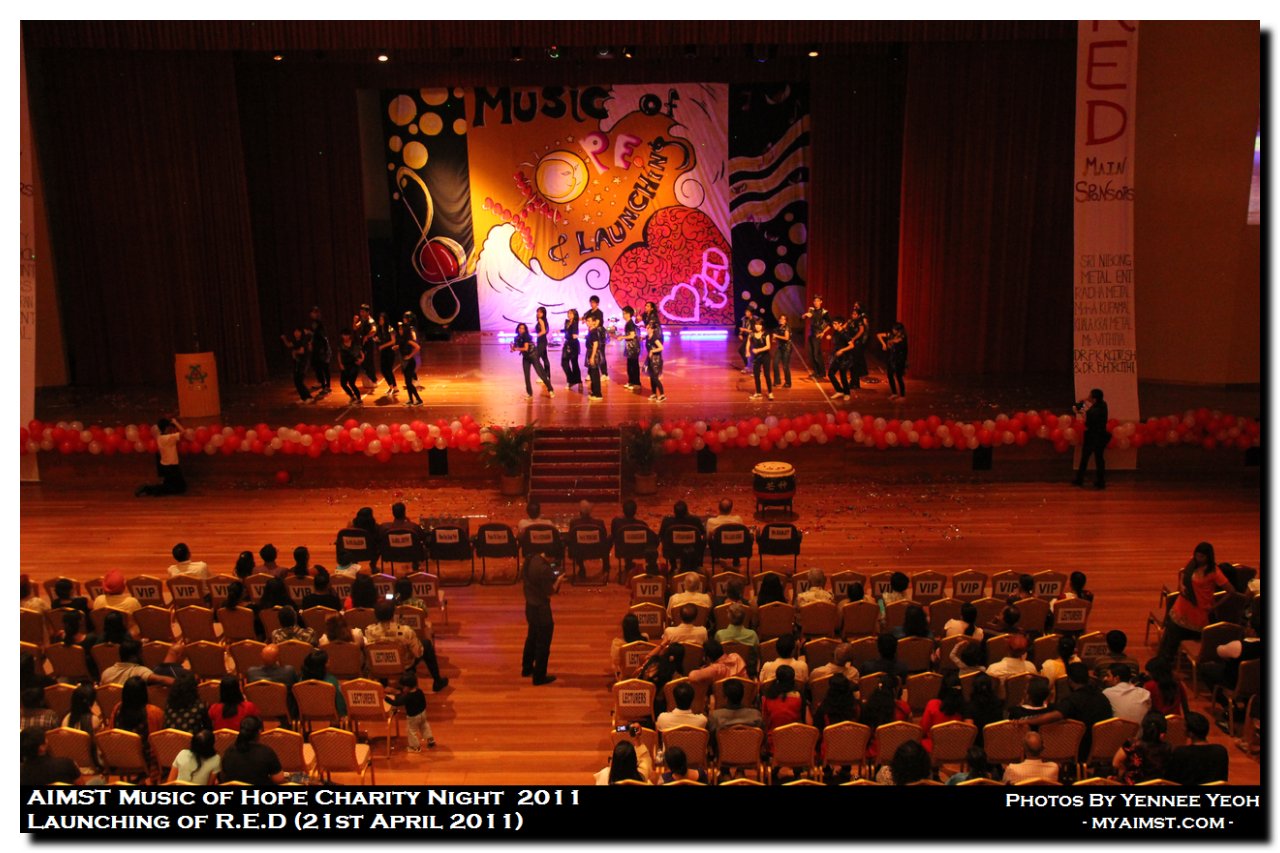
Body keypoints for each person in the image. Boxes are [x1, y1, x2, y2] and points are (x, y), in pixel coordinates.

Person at [1014, 662, 1113, 764]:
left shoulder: (1073, 700)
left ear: (1069, 681)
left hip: (1080, 751)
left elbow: (1055, 716)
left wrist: (1026, 721)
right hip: (1105, 748)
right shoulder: (1102, 697)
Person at [1157, 541, 1233, 661]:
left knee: (1182, 634)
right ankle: (1165, 659)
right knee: (1171, 632)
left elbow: (1231, 591)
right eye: (1197, 555)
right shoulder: (1192, 562)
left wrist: (1214, 606)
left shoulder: (1214, 572)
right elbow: (1184, 574)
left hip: (1199, 610)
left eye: (1201, 556)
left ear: (1208, 557)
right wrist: (1181, 585)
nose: (1198, 558)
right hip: (1182, 606)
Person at [366, 599, 449, 692]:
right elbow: (418, 653)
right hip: (405, 666)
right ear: (393, 613)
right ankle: (437, 681)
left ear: (375, 615)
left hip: (379, 667)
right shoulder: (405, 631)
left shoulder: (369, 631)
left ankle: (384, 683)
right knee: (426, 644)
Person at [522, 553, 562, 685]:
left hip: (530, 605)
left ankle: (527, 668)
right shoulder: (544, 569)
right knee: (543, 644)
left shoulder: (530, 559)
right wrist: (558, 580)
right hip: (541, 609)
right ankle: (539, 677)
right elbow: (550, 592)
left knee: (532, 637)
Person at [1164, 711, 1228, 785]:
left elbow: (1170, 781)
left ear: (1191, 733)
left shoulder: (1181, 753)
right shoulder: (1220, 751)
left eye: (1184, 726)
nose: (1182, 728)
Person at [220, 716, 285, 786]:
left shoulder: (229, 751)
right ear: (259, 732)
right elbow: (279, 779)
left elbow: (223, 777)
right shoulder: (267, 752)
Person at [1113, 711, 1172, 784]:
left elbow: (1115, 763)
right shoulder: (1167, 748)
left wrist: (1122, 771)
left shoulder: (1132, 744)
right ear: (1162, 733)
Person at [134, 416, 186, 496]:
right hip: (171, 466)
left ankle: (148, 489)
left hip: (166, 466)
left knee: (172, 487)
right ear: (166, 428)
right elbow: (183, 432)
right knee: (176, 488)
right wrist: (175, 422)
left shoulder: (160, 438)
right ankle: (147, 489)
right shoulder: (168, 438)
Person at [387, 670, 435, 751]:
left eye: (403, 687)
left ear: (407, 687)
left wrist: (385, 698)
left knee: (411, 731)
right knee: (424, 726)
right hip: (422, 713)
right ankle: (430, 740)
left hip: (413, 717)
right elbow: (424, 703)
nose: (402, 689)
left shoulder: (407, 697)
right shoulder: (419, 691)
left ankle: (415, 747)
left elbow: (396, 703)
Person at [760, 664, 803, 753]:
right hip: (796, 743)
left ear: (777, 679)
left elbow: (765, 722)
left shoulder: (767, 698)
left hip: (774, 743)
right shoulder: (799, 698)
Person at [1072, 388, 1109, 488]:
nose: (1088, 396)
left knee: (1085, 458)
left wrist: (1080, 409)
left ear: (1094, 399)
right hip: (1101, 436)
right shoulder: (1103, 405)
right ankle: (1101, 481)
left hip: (1092, 437)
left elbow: (1087, 421)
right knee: (1099, 459)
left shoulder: (1094, 411)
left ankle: (1079, 479)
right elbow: (1090, 411)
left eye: (1090, 395)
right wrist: (1086, 402)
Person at [920, 671, 965, 752]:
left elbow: (923, 729)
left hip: (934, 748)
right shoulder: (966, 706)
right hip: (958, 749)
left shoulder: (933, 704)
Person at [100, 639, 174, 686]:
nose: (142, 655)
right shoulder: (139, 671)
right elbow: (162, 680)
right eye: (141, 653)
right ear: (133, 657)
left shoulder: (106, 673)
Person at [379, 501, 427, 570]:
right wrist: (409, 523)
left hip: (391, 555)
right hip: (412, 554)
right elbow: (423, 538)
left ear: (393, 513)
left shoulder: (384, 527)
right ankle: (415, 563)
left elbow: (379, 540)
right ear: (404, 512)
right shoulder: (414, 527)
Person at [512, 322, 554, 399]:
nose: (521, 330)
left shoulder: (526, 336)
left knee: (541, 374)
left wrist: (516, 349)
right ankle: (529, 394)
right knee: (526, 376)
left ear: (525, 330)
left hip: (533, 356)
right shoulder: (516, 337)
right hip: (526, 358)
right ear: (518, 329)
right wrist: (512, 348)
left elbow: (525, 348)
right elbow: (515, 347)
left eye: (523, 328)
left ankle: (550, 389)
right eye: (520, 328)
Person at [397, 312, 424, 406]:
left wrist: (410, 356)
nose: (399, 331)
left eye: (401, 329)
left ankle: (419, 400)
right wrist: (397, 347)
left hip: (409, 363)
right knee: (407, 383)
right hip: (405, 363)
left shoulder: (408, 339)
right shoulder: (403, 340)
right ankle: (411, 400)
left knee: (409, 383)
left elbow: (417, 347)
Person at [281, 327, 314, 403]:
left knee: (299, 381)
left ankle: (309, 397)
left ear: (301, 333)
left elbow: (302, 351)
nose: (296, 333)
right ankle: (303, 398)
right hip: (297, 363)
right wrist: (284, 339)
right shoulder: (296, 341)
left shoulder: (303, 341)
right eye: (295, 331)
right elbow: (288, 345)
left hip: (303, 363)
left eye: (298, 332)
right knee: (296, 381)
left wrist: (294, 352)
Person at [801, 295, 830, 380]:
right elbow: (803, 318)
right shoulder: (811, 310)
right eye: (814, 301)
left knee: (816, 354)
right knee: (811, 354)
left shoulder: (824, 312)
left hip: (817, 334)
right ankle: (816, 372)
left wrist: (823, 332)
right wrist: (805, 315)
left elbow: (830, 324)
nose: (816, 302)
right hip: (811, 334)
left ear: (821, 302)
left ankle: (821, 373)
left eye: (818, 301)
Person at [877, 321, 908, 400]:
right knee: (890, 375)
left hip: (900, 359)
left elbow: (897, 341)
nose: (893, 330)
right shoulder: (891, 335)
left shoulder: (903, 336)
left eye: (894, 329)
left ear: (899, 330)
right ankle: (894, 393)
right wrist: (883, 344)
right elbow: (879, 335)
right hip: (892, 358)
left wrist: (889, 341)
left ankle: (902, 395)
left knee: (899, 377)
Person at [306, 306, 332, 396]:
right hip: (317, 348)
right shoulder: (314, 323)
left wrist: (311, 333)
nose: (311, 314)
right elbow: (314, 336)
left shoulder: (320, 323)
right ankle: (321, 383)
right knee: (316, 366)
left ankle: (327, 386)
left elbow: (322, 336)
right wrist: (311, 342)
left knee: (324, 367)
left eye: (314, 312)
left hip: (323, 349)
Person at [373, 311, 399, 397]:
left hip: (390, 351)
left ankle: (395, 388)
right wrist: (377, 340)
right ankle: (391, 386)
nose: (380, 321)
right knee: (383, 370)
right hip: (383, 351)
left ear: (385, 320)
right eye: (379, 319)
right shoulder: (380, 329)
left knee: (388, 369)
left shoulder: (390, 328)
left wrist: (383, 346)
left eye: (382, 319)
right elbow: (380, 339)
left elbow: (393, 341)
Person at [748, 316, 773, 400]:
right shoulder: (752, 334)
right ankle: (758, 393)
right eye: (756, 324)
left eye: (759, 325)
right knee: (756, 375)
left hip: (765, 356)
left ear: (762, 326)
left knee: (767, 375)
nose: (757, 326)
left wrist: (758, 350)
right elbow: (748, 342)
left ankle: (770, 393)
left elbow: (768, 346)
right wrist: (747, 351)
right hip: (756, 357)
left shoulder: (766, 334)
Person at [583, 294, 608, 379]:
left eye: (593, 302)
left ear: (597, 303)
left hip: (599, 334)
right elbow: (584, 318)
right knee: (590, 352)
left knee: (601, 353)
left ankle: (604, 374)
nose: (592, 304)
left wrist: (592, 327)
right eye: (591, 302)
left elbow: (597, 323)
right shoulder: (590, 311)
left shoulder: (599, 312)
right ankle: (590, 373)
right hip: (591, 333)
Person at [355, 303, 379, 390]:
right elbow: (355, 327)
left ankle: (373, 380)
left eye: (363, 312)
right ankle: (368, 380)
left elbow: (374, 330)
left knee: (369, 361)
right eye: (360, 311)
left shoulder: (370, 321)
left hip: (369, 344)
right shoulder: (363, 320)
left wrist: (367, 336)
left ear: (367, 312)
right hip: (363, 343)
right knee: (363, 361)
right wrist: (355, 321)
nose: (361, 313)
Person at [337, 328, 364, 404]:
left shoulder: (354, 343)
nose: (345, 337)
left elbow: (361, 352)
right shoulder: (340, 344)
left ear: (349, 336)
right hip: (345, 365)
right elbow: (339, 355)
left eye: (347, 335)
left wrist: (361, 359)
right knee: (343, 384)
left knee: (351, 383)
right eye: (344, 335)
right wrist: (340, 364)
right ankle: (352, 397)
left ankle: (359, 399)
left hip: (354, 365)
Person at [619, 305, 642, 389]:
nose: (623, 315)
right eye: (623, 313)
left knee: (633, 366)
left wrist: (622, 337)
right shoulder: (629, 323)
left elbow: (632, 335)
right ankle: (631, 382)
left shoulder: (630, 324)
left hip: (633, 347)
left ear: (629, 314)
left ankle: (636, 383)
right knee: (630, 365)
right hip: (630, 347)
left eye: (624, 313)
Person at [561, 308, 583, 391]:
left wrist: (576, 335)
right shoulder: (567, 322)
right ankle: (571, 380)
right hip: (567, 344)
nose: (569, 315)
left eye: (571, 313)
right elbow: (566, 330)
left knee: (574, 363)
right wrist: (560, 330)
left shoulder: (575, 323)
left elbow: (574, 334)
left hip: (573, 344)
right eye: (568, 313)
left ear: (574, 315)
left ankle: (578, 381)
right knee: (564, 362)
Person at [645, 314, 665, 402]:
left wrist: (652, 351)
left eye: (648, 328)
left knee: (655, 378)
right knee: (651, 377)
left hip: (656, 360)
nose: (647, 329)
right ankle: (654, 393)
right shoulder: (648, 337)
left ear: (652, 329)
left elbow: (661, 347)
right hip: (650, 359)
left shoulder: (654, 338)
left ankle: (662, 395)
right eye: (646, 328)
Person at [771, 314, 793, 389]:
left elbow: (786, 338)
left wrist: (776, 336)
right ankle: (777, 381)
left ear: (786, 321)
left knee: (785, 366)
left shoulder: (787, 327)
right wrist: (774, 338)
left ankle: (788, 382)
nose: (781, 320)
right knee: (775, 363)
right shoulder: (778, 328)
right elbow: (775, 338)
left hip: (787, 348)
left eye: (783, 319)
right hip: (780, 347)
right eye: (780, 318)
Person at [736, 307, 754, 373]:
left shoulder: (754, 320)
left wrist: (744, 330)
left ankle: (755, 368)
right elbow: (743, 327)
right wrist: (740, 334)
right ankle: (747, 365)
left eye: (748, 312)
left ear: (751, 313)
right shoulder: (745, 319)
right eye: (746, 312)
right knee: (741, 350)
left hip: (754, 337)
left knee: (753, 352)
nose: (746, 313)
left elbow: (754, 331)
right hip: (747, 337)